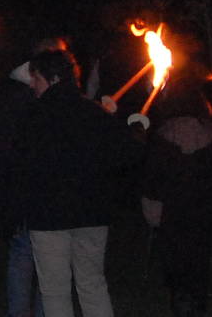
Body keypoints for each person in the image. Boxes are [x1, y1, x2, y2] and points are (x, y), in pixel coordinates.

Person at [17, 49, 137, 317]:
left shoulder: (35, 116)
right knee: (92, 284)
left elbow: (20, 163)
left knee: (55, 290)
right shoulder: (92, 113)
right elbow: (126, 153)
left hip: (48, 216)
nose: (32, 85)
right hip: (92, 212)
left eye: (35, 77)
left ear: (51, 77)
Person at [140, 76, 212, 317]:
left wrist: (152, 214)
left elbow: (150, 181)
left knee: (177, 275)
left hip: (172, 220)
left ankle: (182, 307)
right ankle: (196, 309)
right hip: (204, 218)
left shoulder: (160, 139)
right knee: (199, 271)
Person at [0, 36, 68, 317]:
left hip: (22, 189)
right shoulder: (26, 96)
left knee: (29, 257)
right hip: (31, 189)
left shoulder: (11, 92)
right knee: (35, 258)